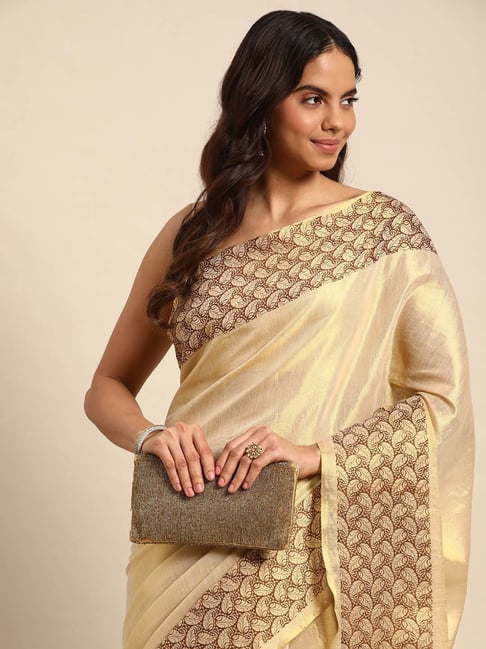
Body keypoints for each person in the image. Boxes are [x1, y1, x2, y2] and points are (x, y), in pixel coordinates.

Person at [84, 10, 474, 649]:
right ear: (261, 101)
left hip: (306, 549)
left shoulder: (384, 235)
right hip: (184, 534)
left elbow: (441, 404)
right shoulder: (193, 233)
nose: (337, 122)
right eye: (312, 99)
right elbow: (106, 386)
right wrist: (151, 436)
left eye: (348, 100)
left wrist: (321, 455)